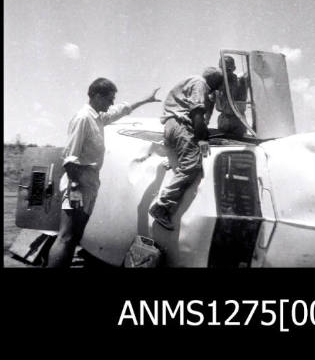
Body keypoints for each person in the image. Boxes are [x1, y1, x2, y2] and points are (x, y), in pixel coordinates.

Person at [47, 76, 161, 268]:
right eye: (109, 98)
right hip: (78, 183)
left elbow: (121, 110)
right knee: (66, 236)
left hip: (88, 183)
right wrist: (75, 190)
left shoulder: (97, 117)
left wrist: (145, 100)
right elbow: (69, 159)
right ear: (98, 96)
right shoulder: (84, 118)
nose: (112, 103)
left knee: (75, 236)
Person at [148, 66, 223, 229]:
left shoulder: (194, 82)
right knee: (191, 165)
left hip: (171, 126)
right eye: (220, 81)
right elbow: (197, 113)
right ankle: (162, 207)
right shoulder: (200, 83)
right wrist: (202, 140)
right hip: (181, 126)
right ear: (215, 80)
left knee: (179, 165)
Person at [215, 54, 248, 138]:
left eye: (228, 69)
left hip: (238, 121)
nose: (225, 72)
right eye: (223, 69)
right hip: (223, 120)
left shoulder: (241, 82)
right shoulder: (217, 83)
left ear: (234, 68)